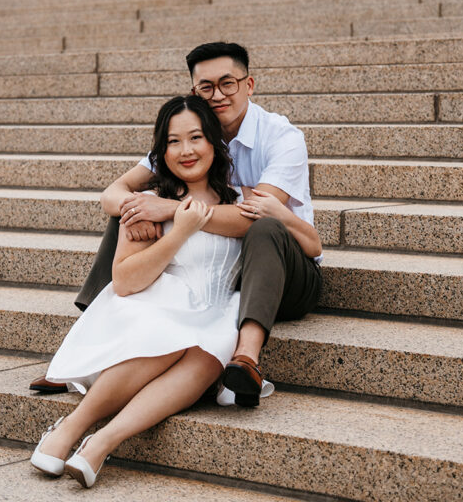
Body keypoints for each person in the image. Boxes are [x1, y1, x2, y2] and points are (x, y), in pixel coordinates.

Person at [30, 93, 322, 487]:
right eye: (173, 141)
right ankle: (69, 429)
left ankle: (100, 443)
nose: (186, 150)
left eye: (196, 138)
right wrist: (180, 230)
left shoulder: (240, 202)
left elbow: (311, 244)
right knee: (168, 336)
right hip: (156, 304)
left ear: (214, 145)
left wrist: (276, 215)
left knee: (208, 354)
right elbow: (126, 281)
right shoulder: (147, 202)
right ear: (161, 152)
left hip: (216, 309)